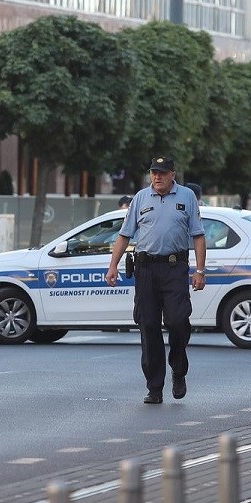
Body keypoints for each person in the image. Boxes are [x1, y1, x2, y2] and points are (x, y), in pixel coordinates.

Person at [106, 156, 206, 405]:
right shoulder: (140, 198)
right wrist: (113, 266)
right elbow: (124, 235)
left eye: (162, 172)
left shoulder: (187, 197)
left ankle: (178, 369)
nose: (157, 177)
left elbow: (198, 235)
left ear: (173, 174)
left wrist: (200, 270)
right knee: (148, 326)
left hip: (175, 268)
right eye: (153, 172)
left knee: (178, 321)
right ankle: (154, 387)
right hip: (146, 269)